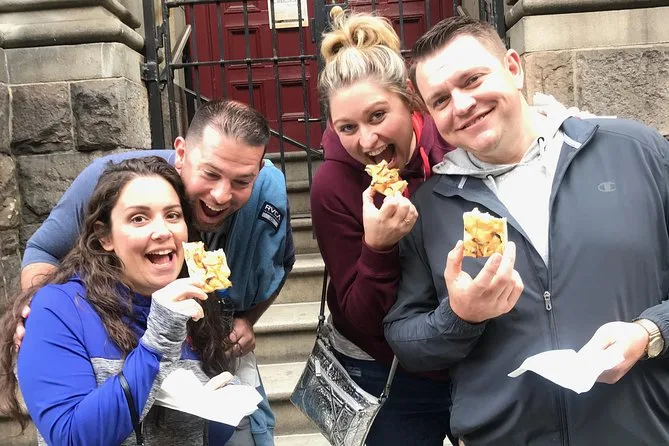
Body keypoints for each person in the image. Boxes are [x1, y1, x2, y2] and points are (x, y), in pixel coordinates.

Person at [383, 15, 669, 445]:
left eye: (472, 79)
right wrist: (459, 317)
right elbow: (405, 339)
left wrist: (650, 333)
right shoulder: (430, 208)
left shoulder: (636, 152)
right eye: (440, 100)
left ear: (513, 68)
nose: (461, 105)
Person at [17, 99, 294, 445]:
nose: (221, 195)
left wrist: (246, 320)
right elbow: (43, 250)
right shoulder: (113, 180)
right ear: (182, 154)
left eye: (173, 216)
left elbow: (280, 265)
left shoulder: (264, 201)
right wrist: (37, 313)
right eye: (139, 218)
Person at [0, 157, 239, 445]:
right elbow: (71, 437)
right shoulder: (57, 310)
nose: (162, 231)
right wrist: (158, 341)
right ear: (105, 236)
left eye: (173, 215)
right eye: (139, 218)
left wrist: (224, 403)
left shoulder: (194, 306)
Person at [310, 12, 456, 445]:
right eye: (347, 127)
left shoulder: (450, 147)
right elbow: (361, 317)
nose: (367, 141)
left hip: (469, 356)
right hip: (383, 370)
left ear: (409, 99)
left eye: (378, 116)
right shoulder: (332, 185)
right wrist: (378, 248)